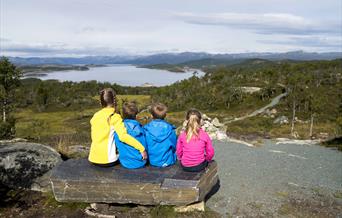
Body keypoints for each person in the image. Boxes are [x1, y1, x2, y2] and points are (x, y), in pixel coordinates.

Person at [88, 88, 147, 166]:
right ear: (114, 101)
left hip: (93, 158)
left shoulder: (95, 116)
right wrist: (142, 149)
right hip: (107, 161)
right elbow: (123, 137)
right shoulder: (115, 117)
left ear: (101, 102)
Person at [115, 101, 147, 169]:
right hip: (141, 162)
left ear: (123, 114)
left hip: (124, 162)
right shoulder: (140, 128)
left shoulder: (119, 129)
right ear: (136, 115)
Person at [144, 103, 177, 167]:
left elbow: (145, 146)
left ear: (151, 116)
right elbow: (174, 145)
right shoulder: (170, 129)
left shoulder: (146, 129)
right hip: (168, 161)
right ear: (165, 115)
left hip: (152, 161)